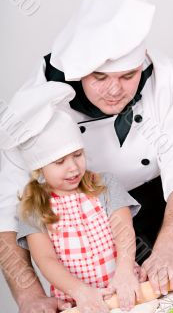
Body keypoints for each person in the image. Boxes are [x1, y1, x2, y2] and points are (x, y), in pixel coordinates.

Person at [0, 0, 173, 313]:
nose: (115, 91)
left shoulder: (163, 73)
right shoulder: (34, 102)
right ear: (79, 72)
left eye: (128, 76)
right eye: (99, 78)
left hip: (162, 207)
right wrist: (29, 294)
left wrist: (169, 246)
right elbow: (7, 211)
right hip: (85, 240)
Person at [1, 81, 141, 313]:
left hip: (125, 287)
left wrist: (125, 271)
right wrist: (81, 292)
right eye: (59, 162)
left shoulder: (105, 184)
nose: (73, 168)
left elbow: (124, 231)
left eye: (77, 155)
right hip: (79, 302)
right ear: (39, 169)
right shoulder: (33, 207)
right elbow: (46, 259)